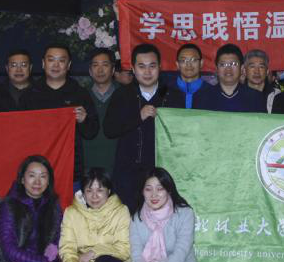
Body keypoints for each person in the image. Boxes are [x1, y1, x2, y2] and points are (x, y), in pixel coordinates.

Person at [105, 44, 180, 210]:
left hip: (163, 173)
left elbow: (183, 134)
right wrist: (138, 117)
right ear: (133, 68)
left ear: (160, 67)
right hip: (128, 174)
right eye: (141, 66)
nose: (147, 72)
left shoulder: (172, 95)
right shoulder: (122, 94)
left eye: (152, 66)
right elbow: (109, 130)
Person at [22, 45, 92, 185]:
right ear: (43, 63)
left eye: (61, 60)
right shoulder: (29, 95)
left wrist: (84, 120)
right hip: (37, 172)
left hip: (71, 170)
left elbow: (91, 132)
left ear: (69, 65)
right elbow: (20, 133)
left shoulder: (80, 94)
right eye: (51, 60)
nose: (56, 65)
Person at [82, 48, 123, 172]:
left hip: (118, 165)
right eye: (95, 65)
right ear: (90, 71)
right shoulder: (80, 95)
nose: (100, 70)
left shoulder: (125, 95)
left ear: (113, 70)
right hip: (86, 166)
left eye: (105, 65)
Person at [196, 44, 266, 112]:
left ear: (241, 68)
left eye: (233, 64)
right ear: (216, 69)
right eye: (223, 64)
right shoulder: (202, 96)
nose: (228, 69)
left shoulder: (256, 98)